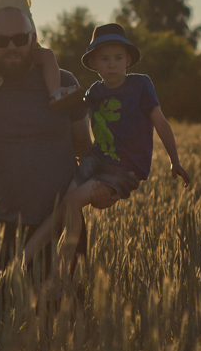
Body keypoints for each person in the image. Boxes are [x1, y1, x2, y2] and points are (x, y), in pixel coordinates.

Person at [27, 23, 192, 295]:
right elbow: (70, 111)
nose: (112, 65)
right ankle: (28, 256)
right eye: (104, 59)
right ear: (93, 63)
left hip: (124, 169)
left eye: (118, 58)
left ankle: (62, 273)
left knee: (71, 201)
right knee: (64, 200)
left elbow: (160, 122)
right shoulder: (93, 93)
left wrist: (174, 160)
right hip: (96, 159)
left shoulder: (141, 85)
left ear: (128, 60)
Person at [0, 6, 95, 272]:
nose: (11, 46)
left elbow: (84, 148)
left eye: (20, 39)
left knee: (64, 312)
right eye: (1, 40)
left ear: (33, 39)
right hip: (1, 228)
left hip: (61, 228)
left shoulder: (62, 82)